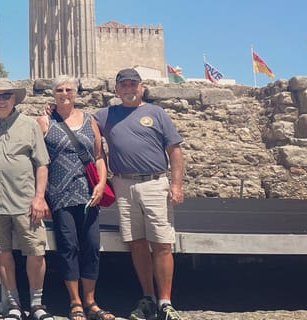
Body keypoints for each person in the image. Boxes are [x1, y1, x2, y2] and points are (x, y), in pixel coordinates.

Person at [93, 68, 184, 320]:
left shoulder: (156, 113)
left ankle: (165, 302)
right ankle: (148, 298)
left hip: (155, 183)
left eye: (133, 84)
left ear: (141, 87)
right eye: (124, 85)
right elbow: (83, 121)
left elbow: (174, 150)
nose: (129, 88)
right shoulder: (106, 114)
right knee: (136, 243)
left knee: (162, 243)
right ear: (116, 89)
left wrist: (176, 185)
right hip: (123, 185)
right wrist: (50, 112)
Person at [0, 79, 54, 320]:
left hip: (25, 201)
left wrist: (39, 197)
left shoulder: (29, 125)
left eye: (6, 95)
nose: (1, 100)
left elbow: (42, 163)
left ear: (14, 98)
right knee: (3, 253)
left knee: (35, 252)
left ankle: (37, 303)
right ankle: (12, 303)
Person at [37, 75, 113, 320]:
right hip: (59, 193)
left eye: (69, 89)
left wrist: (101, 183)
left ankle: (91, 301)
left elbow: (98, 156)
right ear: (53, 93)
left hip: (88, 192)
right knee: (68, 247)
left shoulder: (90, 120)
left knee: (91, 246)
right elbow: (38, 161)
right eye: (59, 89)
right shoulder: (44, 121)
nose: (64, 93)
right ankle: (75, 301)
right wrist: (41, 196)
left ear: (76, 92)